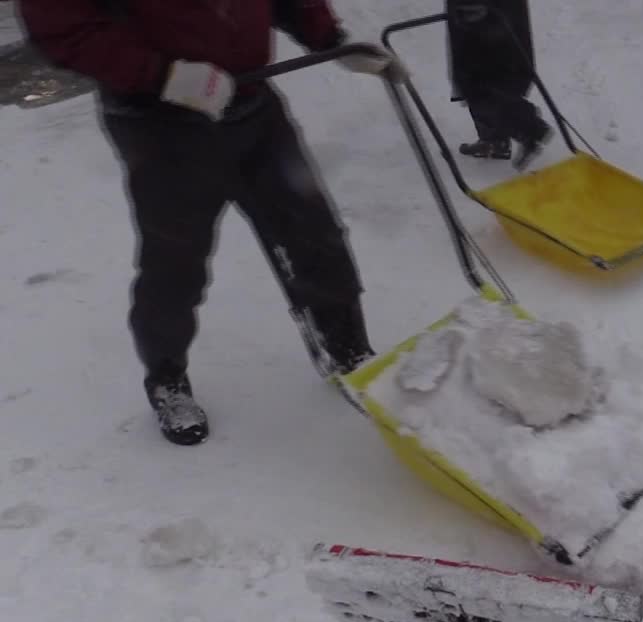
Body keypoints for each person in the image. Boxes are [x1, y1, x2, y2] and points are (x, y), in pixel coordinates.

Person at [16, 0, 406, 446]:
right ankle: (167, 378)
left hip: (251, 102)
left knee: (313, 231)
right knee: (177, 259)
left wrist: (332, 40)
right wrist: (163, 76)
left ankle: (347, 349)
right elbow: (63, 28)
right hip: (158, 121)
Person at [446, 0, 550, 169]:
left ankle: (530, 128)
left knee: (480, 79)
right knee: (479, 75)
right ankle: (494, 139)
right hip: (487, 13)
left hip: (484, 12)